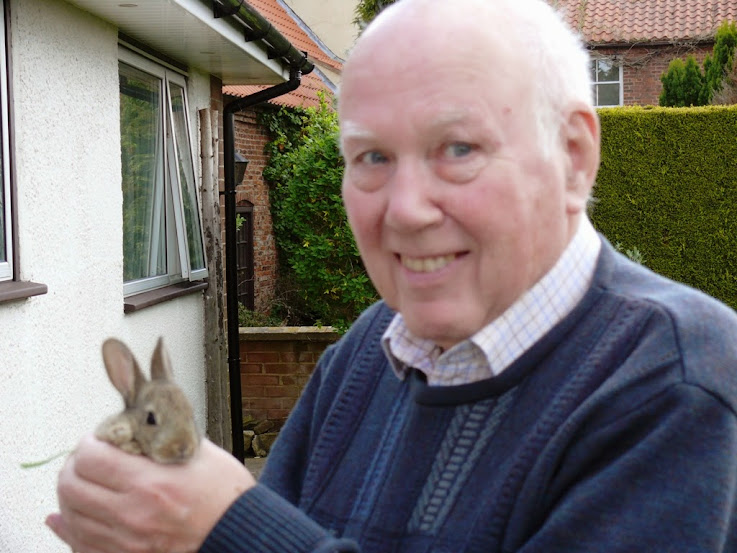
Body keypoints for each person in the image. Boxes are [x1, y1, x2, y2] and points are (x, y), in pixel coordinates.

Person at [48, 0, 737, 551]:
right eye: (371, 158)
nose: (405, 210)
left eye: (457, 148)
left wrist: (226, 529)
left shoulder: (677, 385)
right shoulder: (368, 353)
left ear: (574, 155)